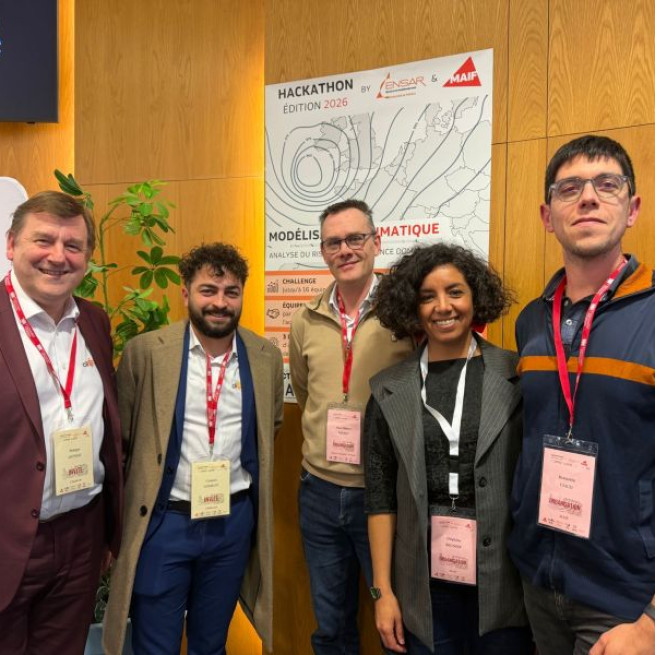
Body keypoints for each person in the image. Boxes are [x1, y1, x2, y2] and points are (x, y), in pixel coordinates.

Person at [509, 134, 655, 655]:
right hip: (538, 581)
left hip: (625, 601)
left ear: (632, 208)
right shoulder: (532, 320)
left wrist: (651, 622)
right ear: (547, 216)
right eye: (569, 188)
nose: (588, 197)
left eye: (606, 184)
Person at [103, 243, 284, 655]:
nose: (220, 303)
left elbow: (269, 427)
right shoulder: (146, 353)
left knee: (211, 642)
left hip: (232, 522)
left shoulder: (265, 357)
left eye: (231, 292)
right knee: (156, 645)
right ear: (185, 293)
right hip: (165, 523)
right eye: (208, 290)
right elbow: (122, 439)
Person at [364, 243, 532, 654]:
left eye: (455, 292)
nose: (443, 307)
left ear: (476, 297)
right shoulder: (388, 389)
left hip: (503, 584)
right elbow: (381, 498)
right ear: (413, 307)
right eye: (428, 296)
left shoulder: (517, 375)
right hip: (422, 588)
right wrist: (382, 592)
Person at [0, 191, 123, 653]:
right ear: (11, 244)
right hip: (7, 536)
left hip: (80, 538)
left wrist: (105, 532)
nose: (58, 256)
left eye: (73, 246)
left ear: (87, 257)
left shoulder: (94, 322)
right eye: (44, 240)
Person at [289, 199, 413, 653]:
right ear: (323, 252)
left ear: (376, 242)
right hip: (318, 491)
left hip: (387, 494)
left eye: (356, 238)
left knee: (398, 625)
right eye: (333, 242)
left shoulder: (405, 312)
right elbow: (305, 392)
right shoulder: (305, 319)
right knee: (330, 625)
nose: (345, 250)